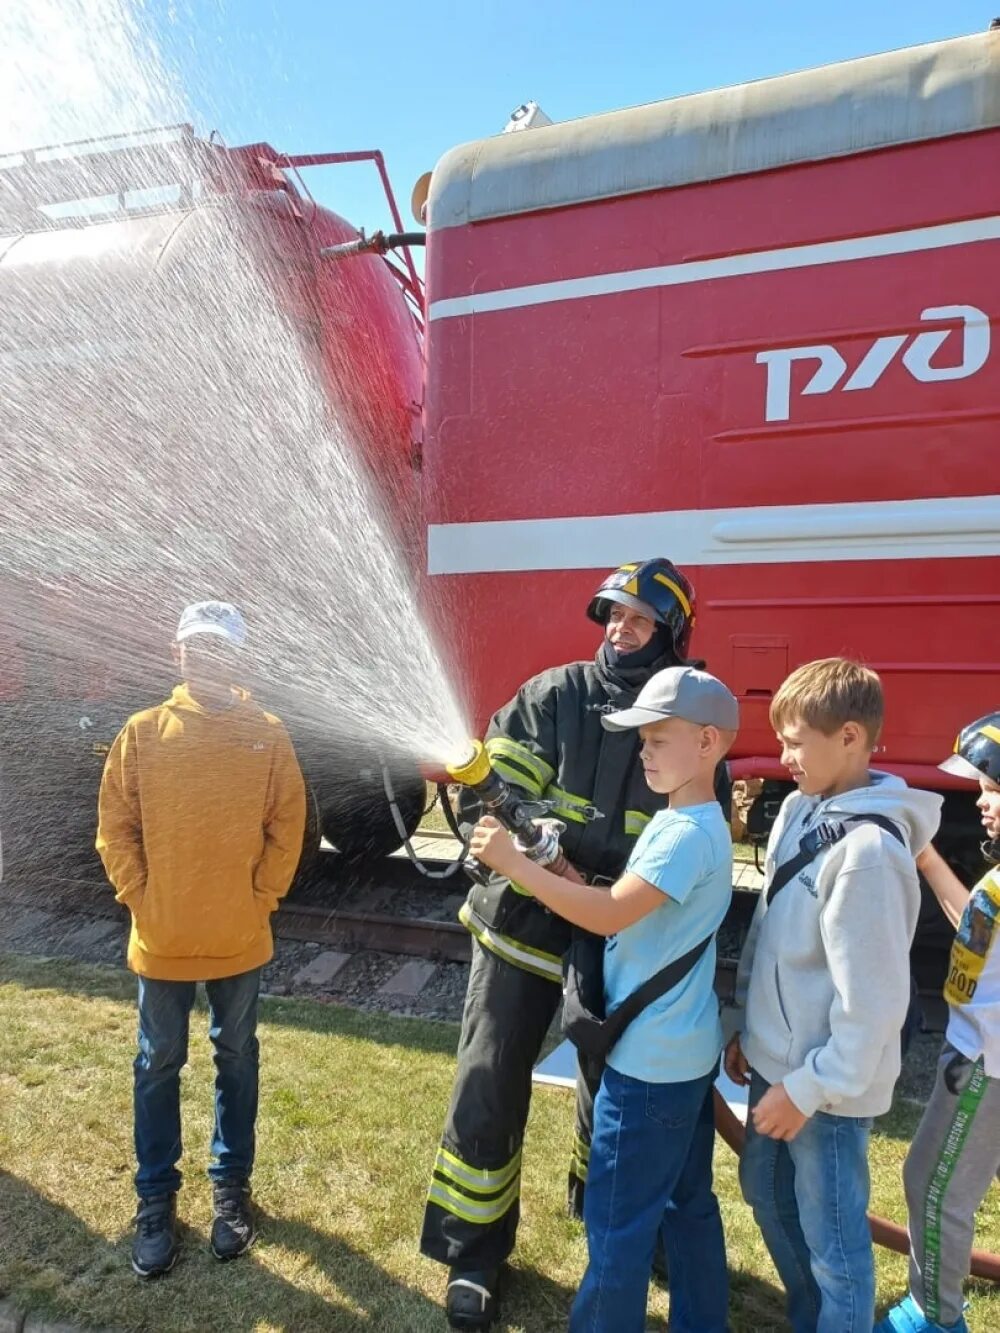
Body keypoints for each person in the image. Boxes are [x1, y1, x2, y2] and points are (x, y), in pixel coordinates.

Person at [420, 558, 703, 1331]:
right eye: (612, 615)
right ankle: (475, 1254)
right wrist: (536, 830)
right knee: (488, 1082)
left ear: (669, 635)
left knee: (612, 1100)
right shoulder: (556, 695)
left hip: (618, 939)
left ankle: (610, 1227)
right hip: (520, 926)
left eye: (639, 620)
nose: (620, 630)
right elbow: (497, 796)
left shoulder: (678, 720)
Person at [470, 664, 736, 1333]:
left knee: (615, 1227)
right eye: (639, 736)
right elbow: (640, 912)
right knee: (688, 1206)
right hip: (685, 1054)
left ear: (707, 743)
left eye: (657, 737)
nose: (641, 748)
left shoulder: (680, 834)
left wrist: (517, 866)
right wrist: (557, 866)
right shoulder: (695, 820)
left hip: (647, 1070)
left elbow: (608, 915)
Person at [724, 658, 942, 1333]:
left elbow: (872, 1006)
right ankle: (815, 1316)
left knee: (838, 1243)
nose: (782, 755)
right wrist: (745, 1022)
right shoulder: (798, 807)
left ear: (850, 736)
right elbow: (766, 926)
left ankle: (834, 1315)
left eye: (795, 740)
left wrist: (808, 1088)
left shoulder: (870, 852)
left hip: (826, 1089)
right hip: (775, 1063)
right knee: (764, 1191)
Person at [96, 600, 307, 1279]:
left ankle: (230, 1188)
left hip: (238, 938)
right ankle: (155, 1201)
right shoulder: (142, 731)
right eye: (196, 645)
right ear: (176, 651)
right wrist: (140, 895)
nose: (206, 656)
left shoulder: (267, 734)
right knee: (157, 1062)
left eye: (218, 647)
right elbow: (115, 826)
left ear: (237, 657)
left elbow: (288, 825)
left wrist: (261, 898)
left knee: (235, 1057)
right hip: (161, 939)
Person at [876, 712, 1000, 1333]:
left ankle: (935, 1317)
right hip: (976, 1056)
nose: (981, 802)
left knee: (933, 1183)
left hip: (985, 1066)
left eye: (993, 790)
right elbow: (977, 927)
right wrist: (925, 854)